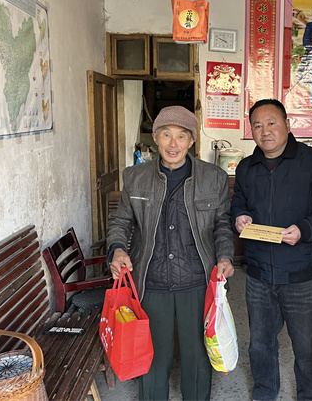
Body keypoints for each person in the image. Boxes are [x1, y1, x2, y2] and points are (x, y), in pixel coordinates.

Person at [107, 105, 235, 401]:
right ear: (155, 137)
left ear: (192, 140)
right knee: (152, 356)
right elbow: (121, 220)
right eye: (166, 134)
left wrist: (225, 256)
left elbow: (222, 224)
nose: (173, 143)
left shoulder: (213, 177)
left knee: (198, 357)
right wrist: (117, 249)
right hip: (151, 279)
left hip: (197, 278)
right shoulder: (136, 177)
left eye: (181, 135)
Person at [231, 99, 312, 401]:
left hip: (302, 275)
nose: (265, 131)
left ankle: (308, 395)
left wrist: (305, 229)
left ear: (287, 124)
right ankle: (265, 393)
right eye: (257, 125)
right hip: (258, 275)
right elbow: (238, 202)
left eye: (271, 123)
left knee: (306, 347)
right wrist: (239, 217)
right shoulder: (246, 167)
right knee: (260, 344)